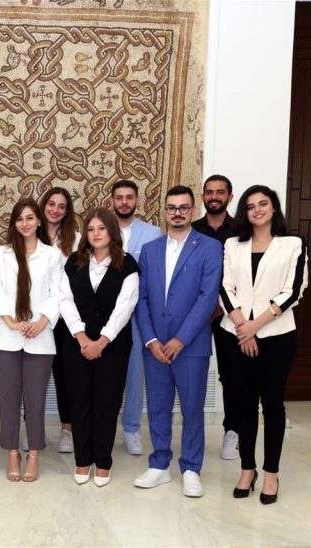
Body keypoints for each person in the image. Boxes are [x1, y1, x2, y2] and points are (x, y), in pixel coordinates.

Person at [220, 185, 308, 505]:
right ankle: (247, 469)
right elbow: (224, 286)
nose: (257, 209)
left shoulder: (292, 244)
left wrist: (255, 326)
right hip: (236, 334)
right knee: (243, 403)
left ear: (273, 209)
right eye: (251, 205)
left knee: (272, 405)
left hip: (277, 335)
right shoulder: (232, 244)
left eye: (263, 204)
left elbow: (294, 289)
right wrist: (243, 328)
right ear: (244, 212)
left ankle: (271, 472)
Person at [133, 186, 223, 497]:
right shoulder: (150, 250)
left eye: (184, 208)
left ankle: (191, 468)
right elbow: (141, 298)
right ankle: (159, 465)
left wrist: (180, 340)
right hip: (155, 346)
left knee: (192, 409)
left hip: (191, 346)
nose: (177, 213)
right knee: (158, 407)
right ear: (165, 211)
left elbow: (208, 298)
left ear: (192, 210)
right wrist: (151, 339)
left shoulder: (210, 247)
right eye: (172, 208)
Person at [59, 207, 139, 487]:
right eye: (91, 229)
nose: (96, 234)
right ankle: (83, 460)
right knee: (79, 401)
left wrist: (101, 341)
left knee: (107, 403)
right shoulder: (74, 262)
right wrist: (83, 339)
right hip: (76, 344)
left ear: (111, 231)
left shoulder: (127, 264)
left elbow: (125, 308)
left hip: (113, 346)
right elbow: (65, 301)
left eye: (101, 228)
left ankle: (103, 462)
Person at [0, 198, 61, 482]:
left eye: (30, 218)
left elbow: (58, 293)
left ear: (39, 221)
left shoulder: (51, 255)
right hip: (6, 336)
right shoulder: (1, 253)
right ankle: (12, 453)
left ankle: (33, 454)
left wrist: (42, 321)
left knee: (35, 401)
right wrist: (9, 321)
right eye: (19, 219)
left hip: (40, 337)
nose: (25, 223)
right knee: (8, 400)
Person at [110, 180, 161, 455]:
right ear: (111, 201)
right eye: (119, 197)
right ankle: (103, 427)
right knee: (106, 375)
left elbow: (155, 276)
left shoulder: (153, 234)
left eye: (129, 197)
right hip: (106, 317)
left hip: (138, 316)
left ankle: (131, 429)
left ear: (137, 201)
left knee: (135, 375)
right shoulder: (101, 230)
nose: (124, 202)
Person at [191, 174, 239, 460]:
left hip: (228, 314)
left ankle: (232, 431)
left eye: (220, 192)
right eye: (209, 192)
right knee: (190, 371)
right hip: (196, 313)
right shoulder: (192, 229)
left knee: (231, 374)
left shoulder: (241, 230)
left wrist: (222, 305)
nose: (214, 197)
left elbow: (243, 274)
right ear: (203, 197)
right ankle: (190, 433)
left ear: (230, 197)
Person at [39, 186, 80, 453]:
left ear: (67, 212)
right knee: (35, 376)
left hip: (65, 318)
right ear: (43, 206)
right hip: (37, 318)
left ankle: (67, 428)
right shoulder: (30, 233)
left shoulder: (76, 240)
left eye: (61, 206)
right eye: (51, 204)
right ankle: (33, 428)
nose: (55, 210)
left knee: (66, 375)